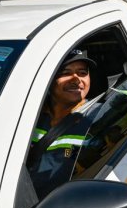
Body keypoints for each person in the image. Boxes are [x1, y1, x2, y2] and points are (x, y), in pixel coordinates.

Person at [28, 48, 99, 197]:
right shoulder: (28, 115)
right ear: (49, 79)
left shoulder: (100, 115)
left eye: (82, 73)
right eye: (66, 73)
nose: (76, 79)